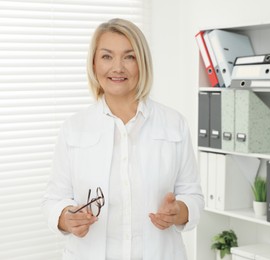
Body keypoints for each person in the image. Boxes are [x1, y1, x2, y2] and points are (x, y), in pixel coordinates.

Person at [42, 18, 204, 260]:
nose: (117, 67)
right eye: (107, 56)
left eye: (129, 57)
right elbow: (54, 199)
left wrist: (180, 211)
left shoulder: (174, 124)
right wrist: (66, 217)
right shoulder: (74, 128)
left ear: (142, 63)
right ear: (94, 62)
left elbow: (193, 194)